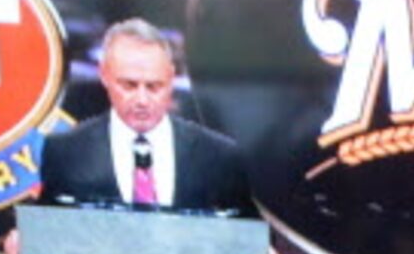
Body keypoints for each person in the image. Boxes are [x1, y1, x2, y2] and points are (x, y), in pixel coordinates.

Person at [34, 20, 254, 216]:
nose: (142, 100)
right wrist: (26, 239)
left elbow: (251, 233)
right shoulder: (65, 152)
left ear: (170, 77)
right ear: (104, 75)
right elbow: (48, 228)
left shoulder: (218, 156)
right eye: (129, 85)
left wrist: (264, 251)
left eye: (154, 86)